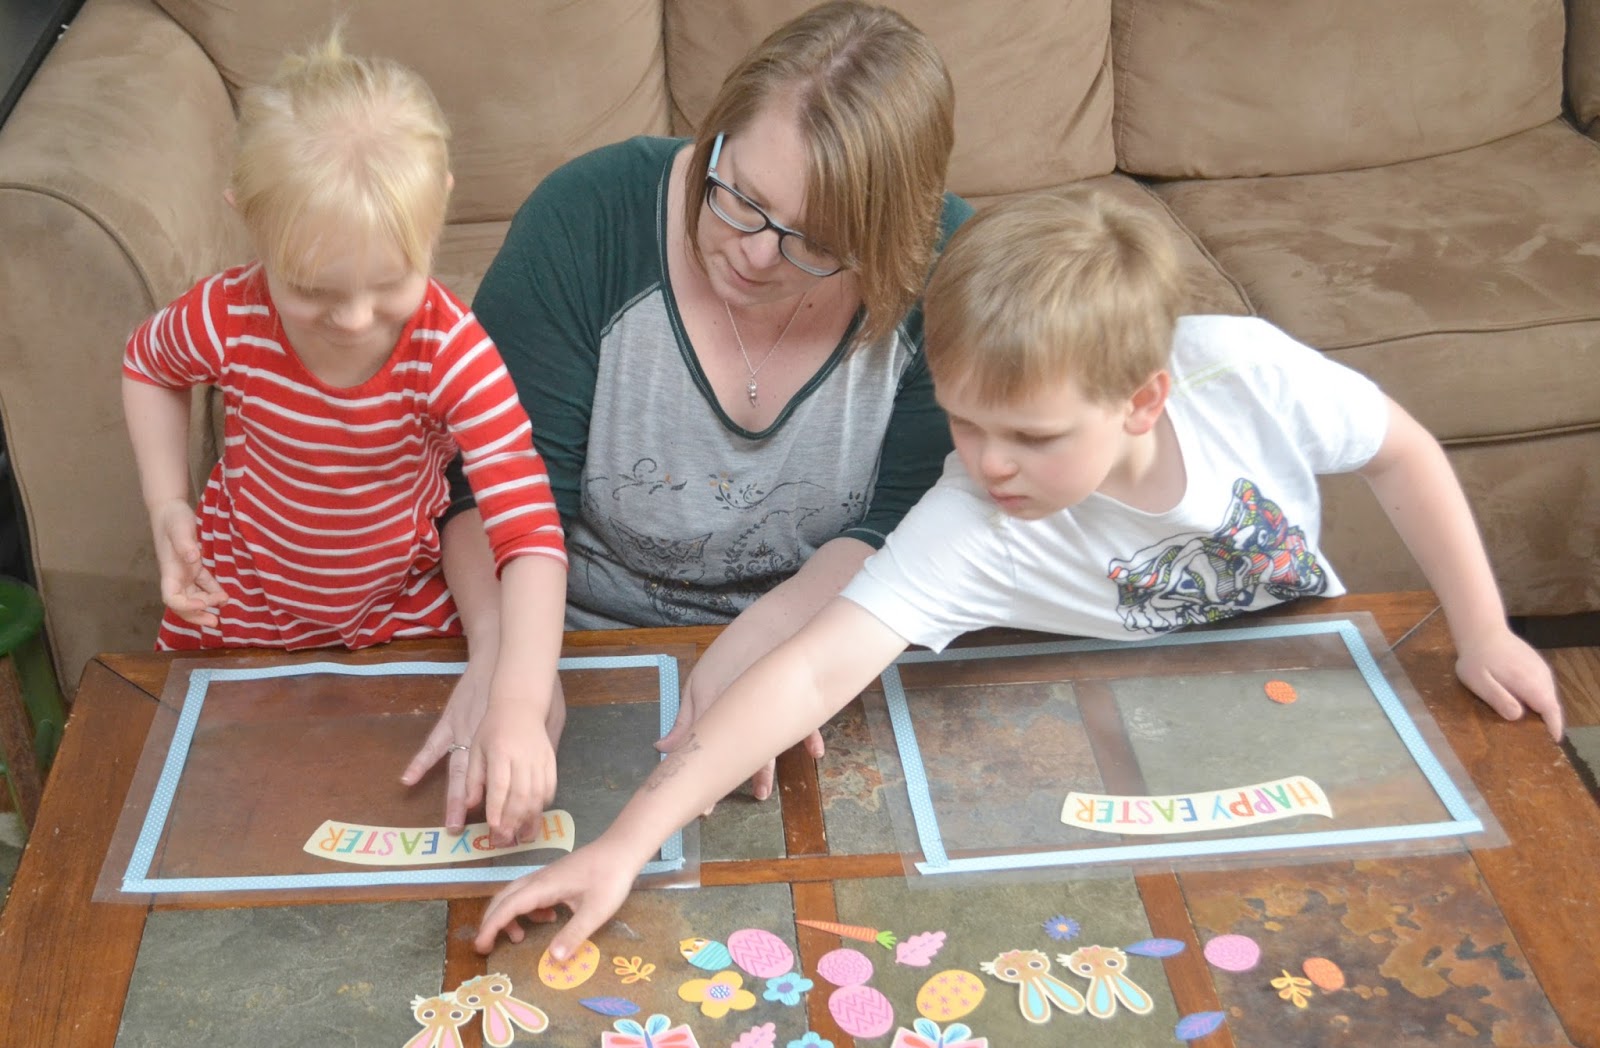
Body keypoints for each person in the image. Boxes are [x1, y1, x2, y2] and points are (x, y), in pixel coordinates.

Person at [472, 187, 1564, 956]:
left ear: (1142, 397)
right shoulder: (975, 517)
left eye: (1031, 437)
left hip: (1299, 679)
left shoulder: (1248, 371)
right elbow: (809, 673)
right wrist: (626, 843)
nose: (988, 463)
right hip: (1106, 728)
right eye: (965, 422)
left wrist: (1483, 629)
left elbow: (1400, 451)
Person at [434, 0, 972, 803]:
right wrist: (506, 664)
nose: (755, 254)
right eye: (741, 196)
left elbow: (912, 520)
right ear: (716, 132)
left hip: (827, 644)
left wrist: (777, 645)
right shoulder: (587, 218)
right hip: (561, 644)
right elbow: (490, 487)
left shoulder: (950, 269)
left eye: (817, 242)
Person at [121, 33, 569, 845]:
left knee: (398, 791)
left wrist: (517, 701)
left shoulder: (454, 353)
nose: (356, 319)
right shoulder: (227, 314)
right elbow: (148, 365)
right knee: (221, 812)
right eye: (313, 290)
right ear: (248, 221)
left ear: (440, 207)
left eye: (390, 282)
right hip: (238, 601)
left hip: (401, 604)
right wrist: (164, 503)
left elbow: (530, 533)